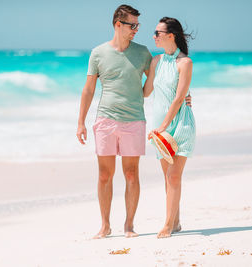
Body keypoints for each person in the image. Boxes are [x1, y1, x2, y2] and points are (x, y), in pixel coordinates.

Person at [76, 5, 191, 239]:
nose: (137, 29)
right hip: (105, 119)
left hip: (135, 120)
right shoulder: (98, 53)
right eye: (133, 25)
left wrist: (186, 95)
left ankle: (129, 226)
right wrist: (81, 122)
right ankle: (105, 226)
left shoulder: (143, 53)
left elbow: (164, 80)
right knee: (104, 175)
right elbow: (88, 90)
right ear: (118, 24)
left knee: (131, 174)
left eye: (138, 25)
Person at [144, 17, 196, 238]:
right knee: (168, 177)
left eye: (158, 33)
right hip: (159, 127)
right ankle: (175, 222)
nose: (154, 36)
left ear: (170, 36)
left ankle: (167, 224)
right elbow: (146, 91)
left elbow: (178, 99)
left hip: (180, 125)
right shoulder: (155, 62)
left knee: (174, 176)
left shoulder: (185, 63)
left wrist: (164, 126)